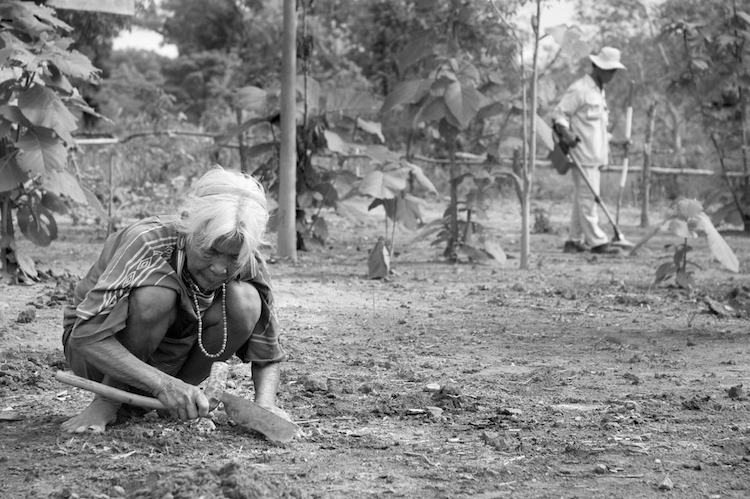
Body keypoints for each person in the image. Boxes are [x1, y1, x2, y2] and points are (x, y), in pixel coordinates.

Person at [61, 166, 287, 433]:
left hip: (172, 363)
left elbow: (268, 351)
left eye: (233, 259)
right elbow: (85, 334)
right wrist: (164, 385)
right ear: (188, 227)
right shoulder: (148, 242)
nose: (219, 268)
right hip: (99, 356)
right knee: (155, 296)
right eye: (210, 251)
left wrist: (266, 405)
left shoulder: (248, 260)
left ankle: (175, 401)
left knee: (247, 301)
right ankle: (108, 400)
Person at [551, 46, 629, 255]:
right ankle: (597, 241)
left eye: (614, 71)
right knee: (589, 198)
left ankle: (573, 241)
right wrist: (566, 134)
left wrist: (618, 142)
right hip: (582, 155)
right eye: (608, 70)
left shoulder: (598, 92)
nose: (612, 75)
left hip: (595, 156)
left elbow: (597, 130)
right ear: (596, 66)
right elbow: (559, 114)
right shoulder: (580, 89)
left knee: (582, 198)